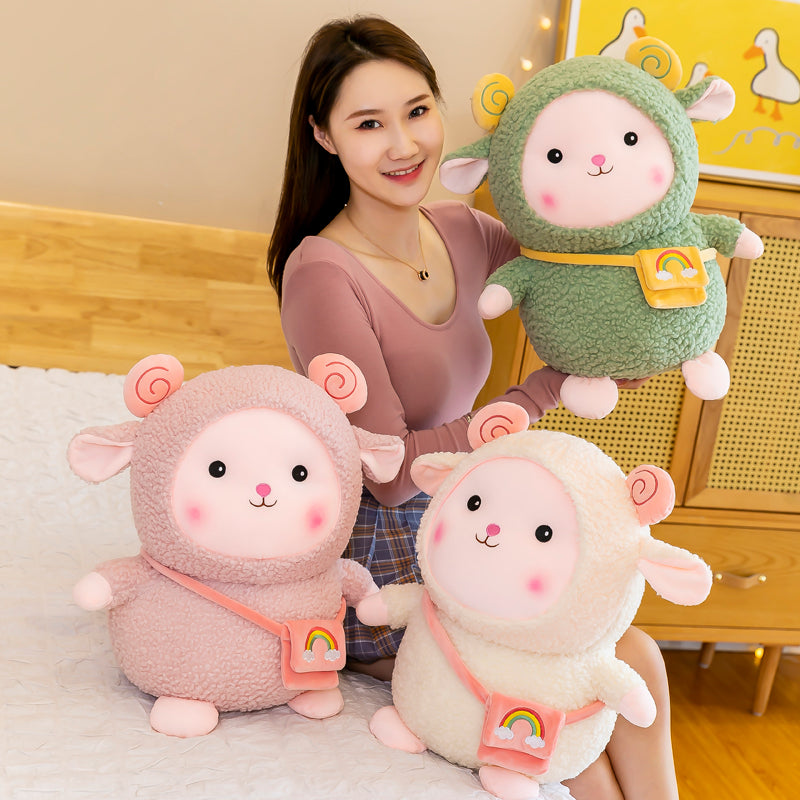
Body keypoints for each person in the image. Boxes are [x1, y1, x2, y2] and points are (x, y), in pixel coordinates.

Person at [268, 16, 679, 800]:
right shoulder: (322, 273)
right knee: (582, 726)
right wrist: (547, 388)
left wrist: (633, 326)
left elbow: (576, 280)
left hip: (471, 516)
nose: (404, 144)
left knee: (641, 663)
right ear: (323, 136)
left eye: (418, 111)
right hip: (382, 548)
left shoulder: (463, 230)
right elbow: (390, 474)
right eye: (369, 124)